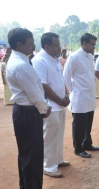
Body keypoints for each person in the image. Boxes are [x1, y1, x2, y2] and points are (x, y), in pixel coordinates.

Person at [6, 28, 51, 189]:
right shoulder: (21, 65)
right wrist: (44, 109)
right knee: (33, 156)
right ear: (20, 45)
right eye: (31, 44)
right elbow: (35, 94)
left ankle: (25, 186)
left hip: (23, 112)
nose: (33, 47)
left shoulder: (18, 60)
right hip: (29, 113)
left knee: (26, 154)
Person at [32, 32, 70, 178]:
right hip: (50, 106)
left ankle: (58, 160)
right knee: (50, 137)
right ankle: (48, 166)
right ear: (46, 46)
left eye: (59, 45)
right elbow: (43, 85)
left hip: (60, 104)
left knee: (59, 134)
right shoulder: (40, 60)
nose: (59, 48)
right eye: (55, 46)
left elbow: (60, 81)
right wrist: (59, 100)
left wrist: (65, 96)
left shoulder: (54, 59)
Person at [63, 33, 99, 158]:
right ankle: (78, 148)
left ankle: (87, 144)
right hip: (79, 96)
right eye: (92, 44)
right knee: (79, 125)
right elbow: (66, 77)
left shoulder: (90, 57)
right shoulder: (74, 57)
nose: (93, 47)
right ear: (84, 43)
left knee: (88, 122)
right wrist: (73, 90)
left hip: (89, 96)